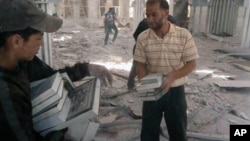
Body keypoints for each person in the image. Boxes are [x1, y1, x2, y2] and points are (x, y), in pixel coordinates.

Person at [0, 0, 112, 141]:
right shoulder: (6, 96)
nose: (42, 43)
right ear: (17, 41)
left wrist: (85, 69)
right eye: (39, 38)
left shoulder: (22, 61)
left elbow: (52, 79)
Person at [133, 0, 199, 141]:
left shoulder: (183, 35)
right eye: (148, 15)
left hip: (175, 93)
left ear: (166, 13)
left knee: (178, 134)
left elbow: (192, 63)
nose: (150, 19)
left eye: (154, 15)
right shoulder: (143, 38)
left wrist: (173, 75)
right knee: (148, 134)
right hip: (152, 90)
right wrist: (145, 86)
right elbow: (141, 65)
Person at [127, 15, 176, 89]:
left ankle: (142, 84)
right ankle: (133, 84)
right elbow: (136, 35)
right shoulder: (148, 24)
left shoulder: (155, 25)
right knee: (139, 66)